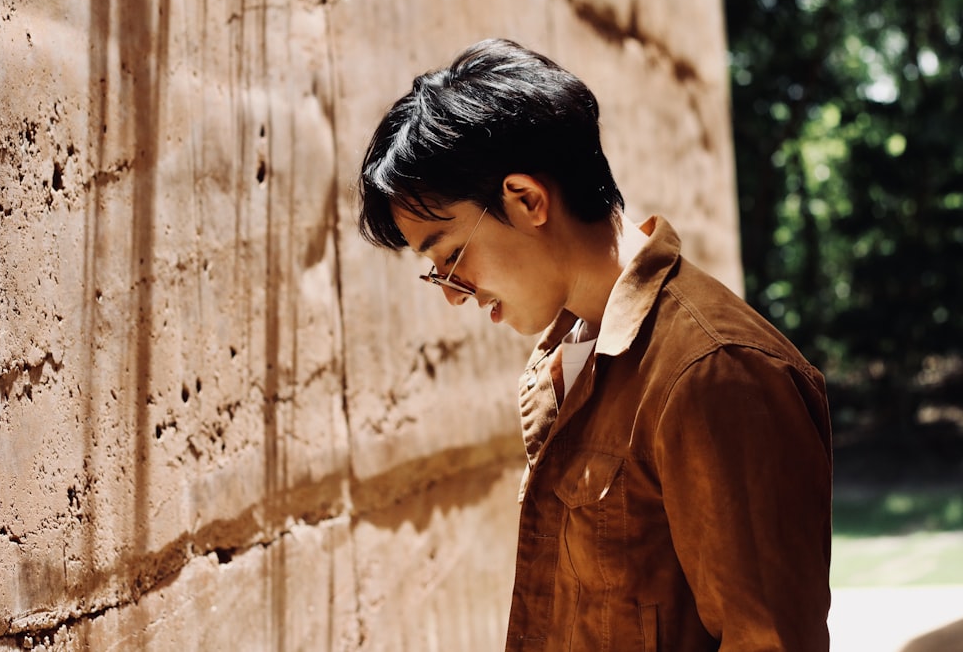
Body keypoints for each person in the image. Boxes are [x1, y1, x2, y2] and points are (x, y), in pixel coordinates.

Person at [356, 38, 832, 651]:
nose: (453, 293)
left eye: (450, 257)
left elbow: (767, 639)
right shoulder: (572, 354)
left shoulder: (715, 369)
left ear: (527, 200)